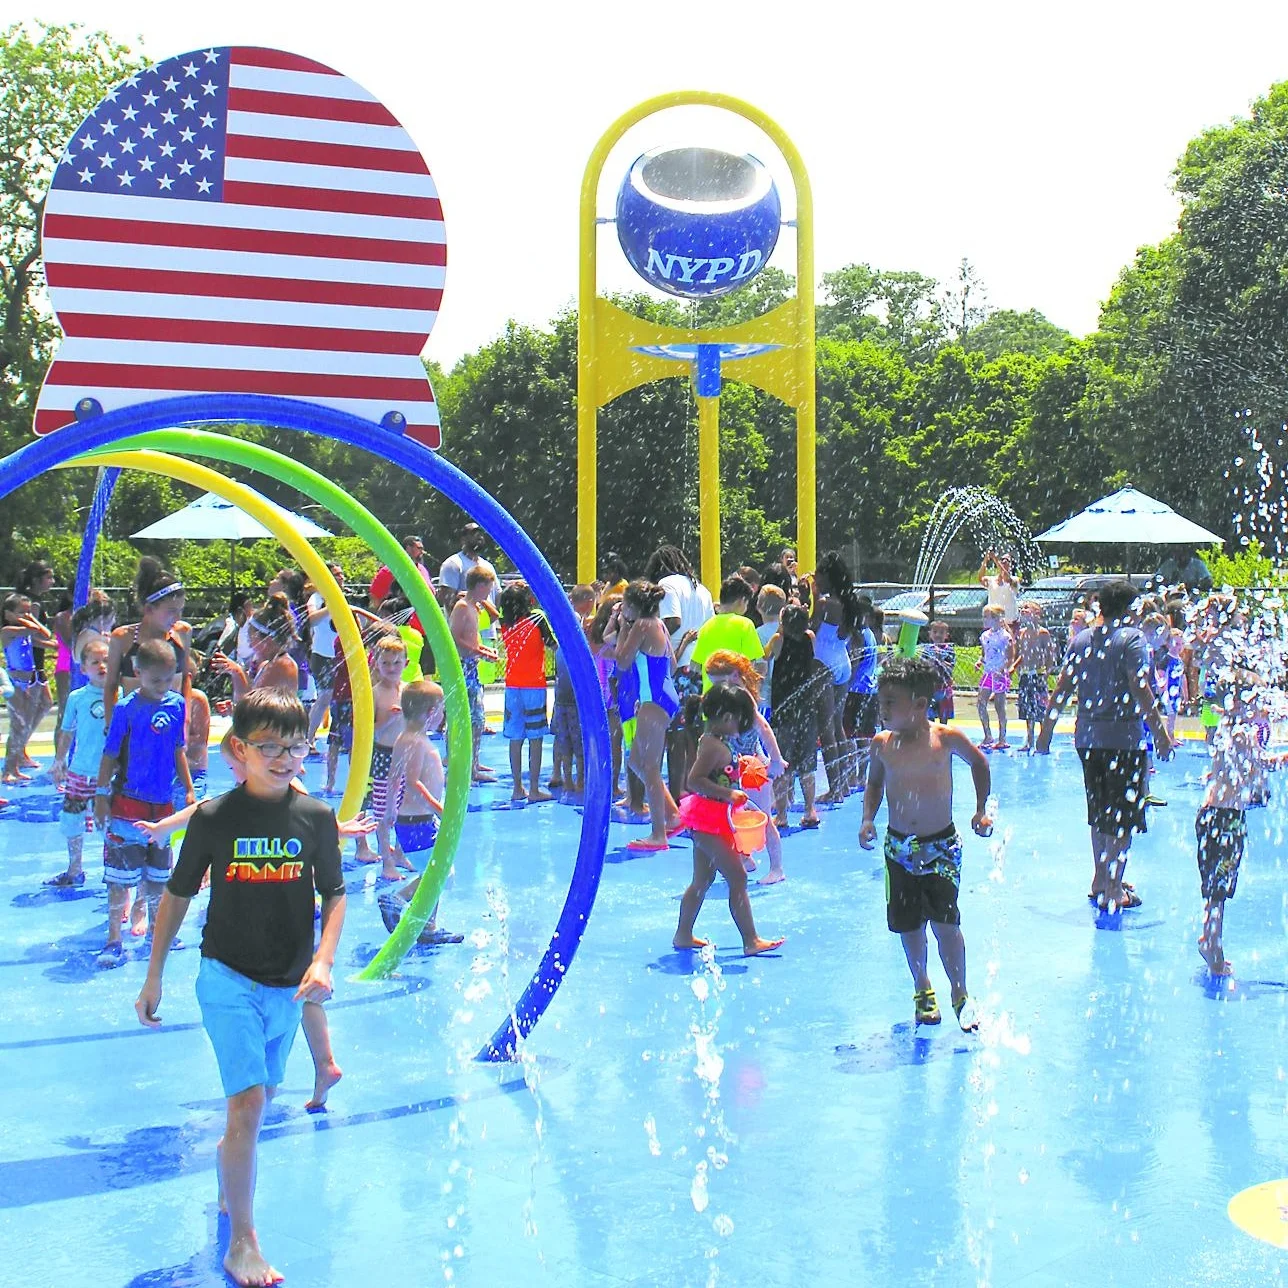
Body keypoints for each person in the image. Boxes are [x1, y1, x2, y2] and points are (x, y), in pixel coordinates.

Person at [135, 688, 345, 1288]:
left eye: (294, 746)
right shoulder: (213, 819)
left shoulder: (315, 818)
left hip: (287, 988)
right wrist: (154, 975)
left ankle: (230, 1180)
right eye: (268, 747)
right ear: (238, 750)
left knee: (256, 1102)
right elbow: (176, 895)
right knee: (250, 1104)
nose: (283, 758)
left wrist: (324, 960)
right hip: (226, 977)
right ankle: (243, 1244)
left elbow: (334, 892)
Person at [858, 654, 992, 1032]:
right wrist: (868, 818)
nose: (882, 710)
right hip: (899, 849)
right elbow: (874, 784)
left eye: (890, 703)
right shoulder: (882, 744)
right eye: (880, 702)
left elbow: (980, 764)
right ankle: (922, 986)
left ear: (919, 705)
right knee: (909, 925)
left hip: (941, 848)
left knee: (946, 923)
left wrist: (981, 809)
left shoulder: (945, 739)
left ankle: (960, 991)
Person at [1036, 579, 1174, 914]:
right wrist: (1160, 734)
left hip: (1088, 740)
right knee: (1122, 817)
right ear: (1131, 609)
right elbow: (1139, 689)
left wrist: (1045, 733)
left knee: (1099, 813)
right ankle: (1113, 889)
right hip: (1123, 741)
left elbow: (1063, 688)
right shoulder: (1133, 639)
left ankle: (1100, 878)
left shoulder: (1081, 639)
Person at [94, 637, 195, 967]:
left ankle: (155, 929)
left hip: (162, 808)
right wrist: (99, 796)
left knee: (158, 876)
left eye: (169, 679)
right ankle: (113, 938)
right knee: (119, 879)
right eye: (155, 681)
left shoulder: (176, 705)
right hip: (127, 806)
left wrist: (188, 789)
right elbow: (110, 755)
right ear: (137, 672)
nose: (163, 687)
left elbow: (179, 750)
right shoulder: (126, 709)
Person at [672, 683, 785, 956]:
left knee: (702, 880)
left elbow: (719, 771)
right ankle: (751, 940)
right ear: (725, 717)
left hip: (708, 821)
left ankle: (683, 934)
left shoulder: (717, 741)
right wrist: (728, 792)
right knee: (738, 877)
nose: (742, 727)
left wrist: (740, 768)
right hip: (709, 823)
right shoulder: (711, 745)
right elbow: (694, 780)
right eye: (740, 721)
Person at [377, 679, 463, 946]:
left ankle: (428, 926)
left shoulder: (407, 738)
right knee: (441, 874)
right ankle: (397, 898)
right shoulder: (415, 742)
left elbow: (393, 778)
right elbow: (412, 784)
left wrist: (391, 808)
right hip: (419, 821)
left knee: (434, 872)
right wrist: (441, 810)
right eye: (441, 711)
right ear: (430, 713)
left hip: (412, 820)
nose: (442, 717)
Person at [606, 580, 682, 849]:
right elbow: (671, 664)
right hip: (662, 696)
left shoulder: (641, 625)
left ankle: (659, 834)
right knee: (638, 761)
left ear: (633, 606)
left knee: (649, 766)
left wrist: (624, 627)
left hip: (655, 701)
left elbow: (623, 660)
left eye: (625, 604)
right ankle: (672, 815)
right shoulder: (658, 624)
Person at [703, 650, 788, 884]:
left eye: (719, 682)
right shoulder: (722, 696)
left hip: (753, 768)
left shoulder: (742, 698)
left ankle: (777, 868)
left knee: (763, 817)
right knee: (732, 816)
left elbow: (764, 728)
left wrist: (776, 759)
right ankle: (744, 857)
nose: (716, 687)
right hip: (732, 767)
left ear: (734, 675)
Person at [46, 636, 117, 888]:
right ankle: (74, 868)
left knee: (110, 825)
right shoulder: (77, 697)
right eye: (95, 662)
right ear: (83, 668)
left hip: (109, 775)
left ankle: (113, 871)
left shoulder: (120, 696)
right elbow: (67, 731)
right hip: (79, 773)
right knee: (71, 822)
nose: (102, 666)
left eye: (107, 660)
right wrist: (59, 760)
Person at [644, 544, 713, 798]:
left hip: (676, 667)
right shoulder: (702, 589)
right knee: (694, 734)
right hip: (698, 666)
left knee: (674, 736)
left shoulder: (667, 585)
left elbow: (672, 621)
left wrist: (647, 635)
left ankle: (675, 794)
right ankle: (694, 790)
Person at [104, 557, 190, 727]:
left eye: (181, 610)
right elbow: (111, 686)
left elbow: (186, 679)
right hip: (135, 725)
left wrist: (186, 720)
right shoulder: (123, 638)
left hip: (170, 723)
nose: (178, 617)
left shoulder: (182, 633)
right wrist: (111, 726)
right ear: (149, 609)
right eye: (172, 611)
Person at [807, 551, 860, 800]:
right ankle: (845, 783)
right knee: (838, 727)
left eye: (818, 573)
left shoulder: (826, 603)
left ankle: (835, 789)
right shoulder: (850, 602)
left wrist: (814, 596)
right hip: (842, 662)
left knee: (826, 730)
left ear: (827, 576)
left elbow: (810, 628)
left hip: (822, 663)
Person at [499, 580, 556, 804]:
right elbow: (552, 644)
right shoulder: (536, 619)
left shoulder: (505, 622)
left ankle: (516, 787)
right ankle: (534, 788)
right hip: (534, 685)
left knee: (515, 737)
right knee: (536, 738)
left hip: (512, 686)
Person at [768, 605, 821, 830]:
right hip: (807, 708)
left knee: (782, 764)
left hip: (784, 709)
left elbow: (765, 654)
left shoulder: (778, 639)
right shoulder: (810, 638)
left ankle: (781, 814)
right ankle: (810, 809)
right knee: (807, 762)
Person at [450, 566, 499, 783]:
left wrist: (485, 651)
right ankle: (462, 766)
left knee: (477, 719)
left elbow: (473, 639)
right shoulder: (462, 607)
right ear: (479, 586)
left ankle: (473, 762)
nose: (488, 595)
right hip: (462, 667)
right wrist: (480, 651)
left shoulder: (474, 607)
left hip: (471, 665)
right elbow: (455, 638)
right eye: (487, 590)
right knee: (463, 718)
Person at [1, 591, 57, 783]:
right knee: (18, 726)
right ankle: (8, 770)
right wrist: (30, 619)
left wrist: (29, 618)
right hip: (15, 681)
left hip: (29, 680)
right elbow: (36, 630)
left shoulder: (24, 630)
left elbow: (46, 634)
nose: (26, 616)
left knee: (24, 725)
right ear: (7, 613)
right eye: (21, 612)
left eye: (28, 612)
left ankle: (15, 767)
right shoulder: (8, 631)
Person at [549, 584, 596, 800]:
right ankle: (578, 780)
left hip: (561, 701)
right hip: (574, 702)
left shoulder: (560, 647)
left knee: (564, 742)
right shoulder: (577, 648)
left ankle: (568, 779)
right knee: (577, 744)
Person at [690, 575, 765, 688]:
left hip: (711, 695)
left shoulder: (707, 626)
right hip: (736, 694)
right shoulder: (745, 625)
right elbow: (754, 664)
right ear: (742, 600)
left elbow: (695, 665)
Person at [305, 563, 344, 754]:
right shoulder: (317, 598)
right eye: (337, 575)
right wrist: (331, 606)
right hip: (322, 655)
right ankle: (308, 738)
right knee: (325, 697)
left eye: (342, 574)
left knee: (342, 697)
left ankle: (342, 737)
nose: (341, 578)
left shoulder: (344, 598)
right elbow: (312, 620)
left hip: (341, 656)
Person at [845, 600, 882, 785]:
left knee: (850, 734)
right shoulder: (871, 634)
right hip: (871, 690)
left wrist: (844, 684)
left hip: (855, 690)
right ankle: (861, 776)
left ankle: (852, 776)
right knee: (865, 735)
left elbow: (855, 662)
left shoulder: (858, 636)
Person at [1012, 600, 1054, 753]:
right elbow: (1020, 655)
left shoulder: (1042, 633)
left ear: (1037, 615)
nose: (1023, 610)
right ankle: (1029, 741)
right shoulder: (1022, 633)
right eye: (1022, 608)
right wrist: (1014, 669)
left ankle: (1043, 742)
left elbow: (1050, 655)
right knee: (1027, 710)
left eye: (1027, 608)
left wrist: (1047, 673)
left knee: (1041, 710)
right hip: (1025, 676)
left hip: (1038, 675)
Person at [976, 605, 1013, 750]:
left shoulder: (1005, 637)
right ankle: (988, 735)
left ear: (997, 619)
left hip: (999, 674)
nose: (984, 620)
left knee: (999, 706)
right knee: (981, 703)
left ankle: (1002, 738)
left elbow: (1010, 658)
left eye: (987, 617)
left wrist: (1001, 670)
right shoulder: (985, 636)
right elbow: (985, 654)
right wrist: (980, 661)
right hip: (988, 673)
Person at [370, 534, 434, 618]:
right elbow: (375, 599)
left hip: (423, 624)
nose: (422, 552)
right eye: (419, 548)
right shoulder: (390, 571)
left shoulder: (422, 569)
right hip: (398, 624)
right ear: (408, 548)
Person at [922, 618, 956, 724]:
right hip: (930, 685)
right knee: (929, 713)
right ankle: (931, 734)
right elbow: (923, 665)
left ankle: (943, 733)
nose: (938, 635)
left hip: (944, 686)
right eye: (935, 632)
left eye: (941, 632)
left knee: (943, 713)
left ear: (946, 635)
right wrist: (930, 662)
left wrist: (941, 660)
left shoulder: (949, 650)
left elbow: (951, 667)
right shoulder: (927, 650)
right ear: (930, 634)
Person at [978, 549, 1019, 626]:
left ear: (1011, 565)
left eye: (1007, 560)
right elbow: (980, 578)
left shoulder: (1015, 580)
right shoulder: (991, 580)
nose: (1004, 561)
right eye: (1002, 559)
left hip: (1010, 622)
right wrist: (986, 559)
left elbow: (1006, 577)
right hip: (994, 622)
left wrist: (995, 559)